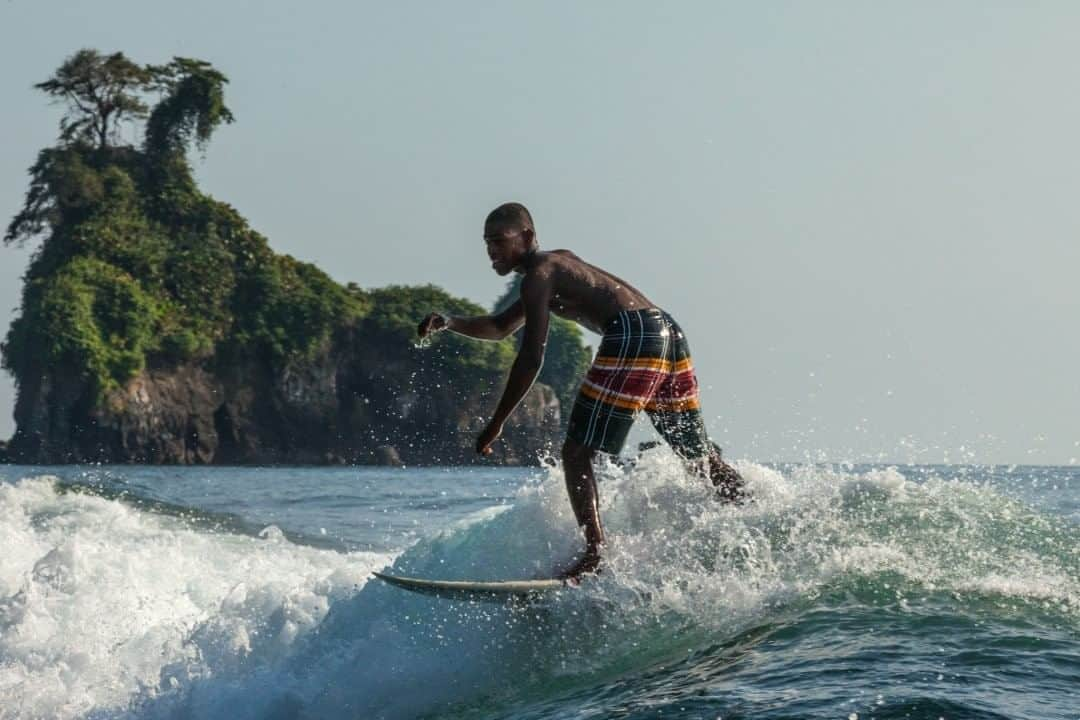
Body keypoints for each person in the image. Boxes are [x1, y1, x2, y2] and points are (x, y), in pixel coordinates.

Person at [418, 202, 743, 580]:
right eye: (486, 243)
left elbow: (531, 356)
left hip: (635, 334)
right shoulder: (555, 267)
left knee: (575, 453)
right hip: (667, 332)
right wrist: (449, 322)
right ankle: (750, 508)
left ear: (526, 237)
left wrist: (497, 423)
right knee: (695, 454)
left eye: (499, 241)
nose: (491, 251)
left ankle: (595, 554)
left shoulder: (539, 273)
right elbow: (500, 327)